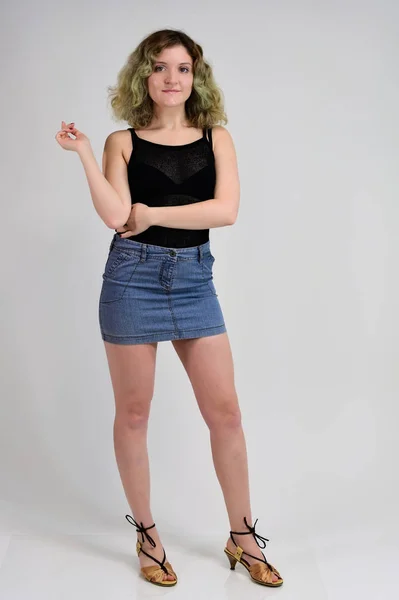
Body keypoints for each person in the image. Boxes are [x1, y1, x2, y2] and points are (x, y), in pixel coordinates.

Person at [55, 28, 283, 589]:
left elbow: (225, 211)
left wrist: (150, 212)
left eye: (183, 69)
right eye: (160, 68)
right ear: (144, 76)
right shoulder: (120, 142)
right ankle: (148, 535)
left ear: (196, 77)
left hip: (193, 280)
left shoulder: (217, 139)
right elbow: (115, 216)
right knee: (134, 414)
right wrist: (85, 153)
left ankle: (243, 535)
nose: (172, 78)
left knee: (225, 413)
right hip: (131, 279)